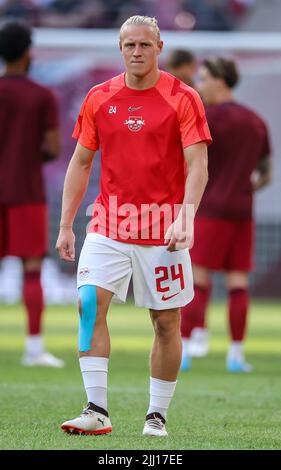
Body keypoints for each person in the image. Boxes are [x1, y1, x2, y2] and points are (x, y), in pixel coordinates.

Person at [56, 15, 212, 437]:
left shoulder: (183, 97)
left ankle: (156, 415)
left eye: (145, 45)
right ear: (120, 48)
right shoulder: (98, 97)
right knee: (88, 306)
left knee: (166, 322)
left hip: (164, 231)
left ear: (159, 46)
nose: (137, 52)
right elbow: (82, 161)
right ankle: (95, 409)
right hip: (108, 224)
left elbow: (198, 163)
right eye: (129, 45)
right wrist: (67, 224)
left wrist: (186, 215)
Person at [180, 57, 271, 372]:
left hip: (210, 210)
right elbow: (266, 173)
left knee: (199, 281)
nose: (199, 84)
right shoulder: (255, 121)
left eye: (203, 78)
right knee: (237, 284)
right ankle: (236, 354)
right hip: (242, 211)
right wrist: (243, 190)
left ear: (220, 80)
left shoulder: (206, 119)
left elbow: (189, 165)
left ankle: (185, 350)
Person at [0, 21, 64, 368]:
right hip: (26, 190)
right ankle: (34, 347)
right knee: (31, 270)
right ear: (28, 53)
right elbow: (53, 148)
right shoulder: (42, 95)